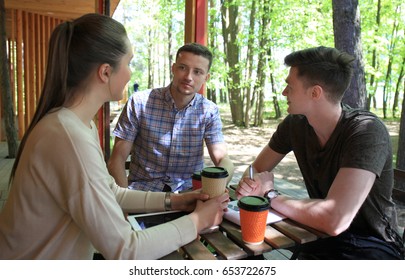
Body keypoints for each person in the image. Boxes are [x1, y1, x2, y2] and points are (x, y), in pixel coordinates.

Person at [0, 13, 229, 260]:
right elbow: (126, 250)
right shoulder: (68, 137)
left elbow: (113, 193)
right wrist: (198, 220)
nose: (131, 73)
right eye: (129, 62)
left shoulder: (77, 125)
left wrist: (176, 201)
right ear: (106, 72)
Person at [236, 46, 404, 260]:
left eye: (290, 86)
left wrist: (269, 194)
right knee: (244, 247)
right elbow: (256, 169)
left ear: (315, 92)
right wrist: (251, 184)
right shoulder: (294, 124)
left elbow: (336, 220)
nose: (284, 92)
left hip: (372, 244)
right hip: (318, 235)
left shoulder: (366, 131)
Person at [108, 43, 234, 192]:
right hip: (143, 194)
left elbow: (222, 159)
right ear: (173, 68)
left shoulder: (208, 111)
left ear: (206, 77)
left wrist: (217, 186)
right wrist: (124, 203)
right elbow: (117, 159)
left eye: (197, 72)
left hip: (188, 194)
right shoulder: (140, 102)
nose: (188, 77)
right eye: (182, 68)